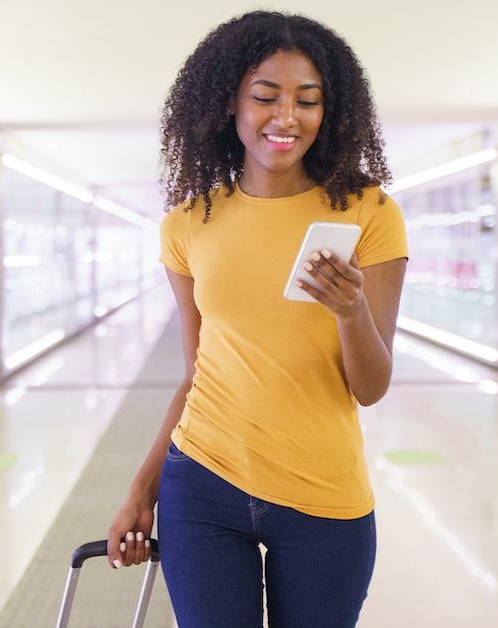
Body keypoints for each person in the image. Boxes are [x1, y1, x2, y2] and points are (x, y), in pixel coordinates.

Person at [106, 10, 408, 627]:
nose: (286, 118)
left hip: (324, 492)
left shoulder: (369, 214)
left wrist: (350, 310)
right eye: (265, 97)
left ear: (331, 112)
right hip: (202, 483)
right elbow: (196, 375)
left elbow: (371, 387)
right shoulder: (188, 224)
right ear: (228, 105)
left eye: (308, 101)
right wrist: (143, 489)